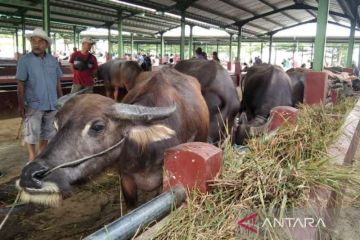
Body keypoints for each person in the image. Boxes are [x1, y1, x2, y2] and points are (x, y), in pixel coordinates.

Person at [16, 28, 63, 161]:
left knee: (47, 131)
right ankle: (32, 155)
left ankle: (42, 153)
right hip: (34, 103)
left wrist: (60, 100)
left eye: (40, 41)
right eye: (34, 41)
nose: (37, 44)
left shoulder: (53, 61)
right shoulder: (24, 61)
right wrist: (21, 105)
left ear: (46, 45)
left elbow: (57, 82)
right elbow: (20, 84)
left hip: (52, 103)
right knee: (32, 131)